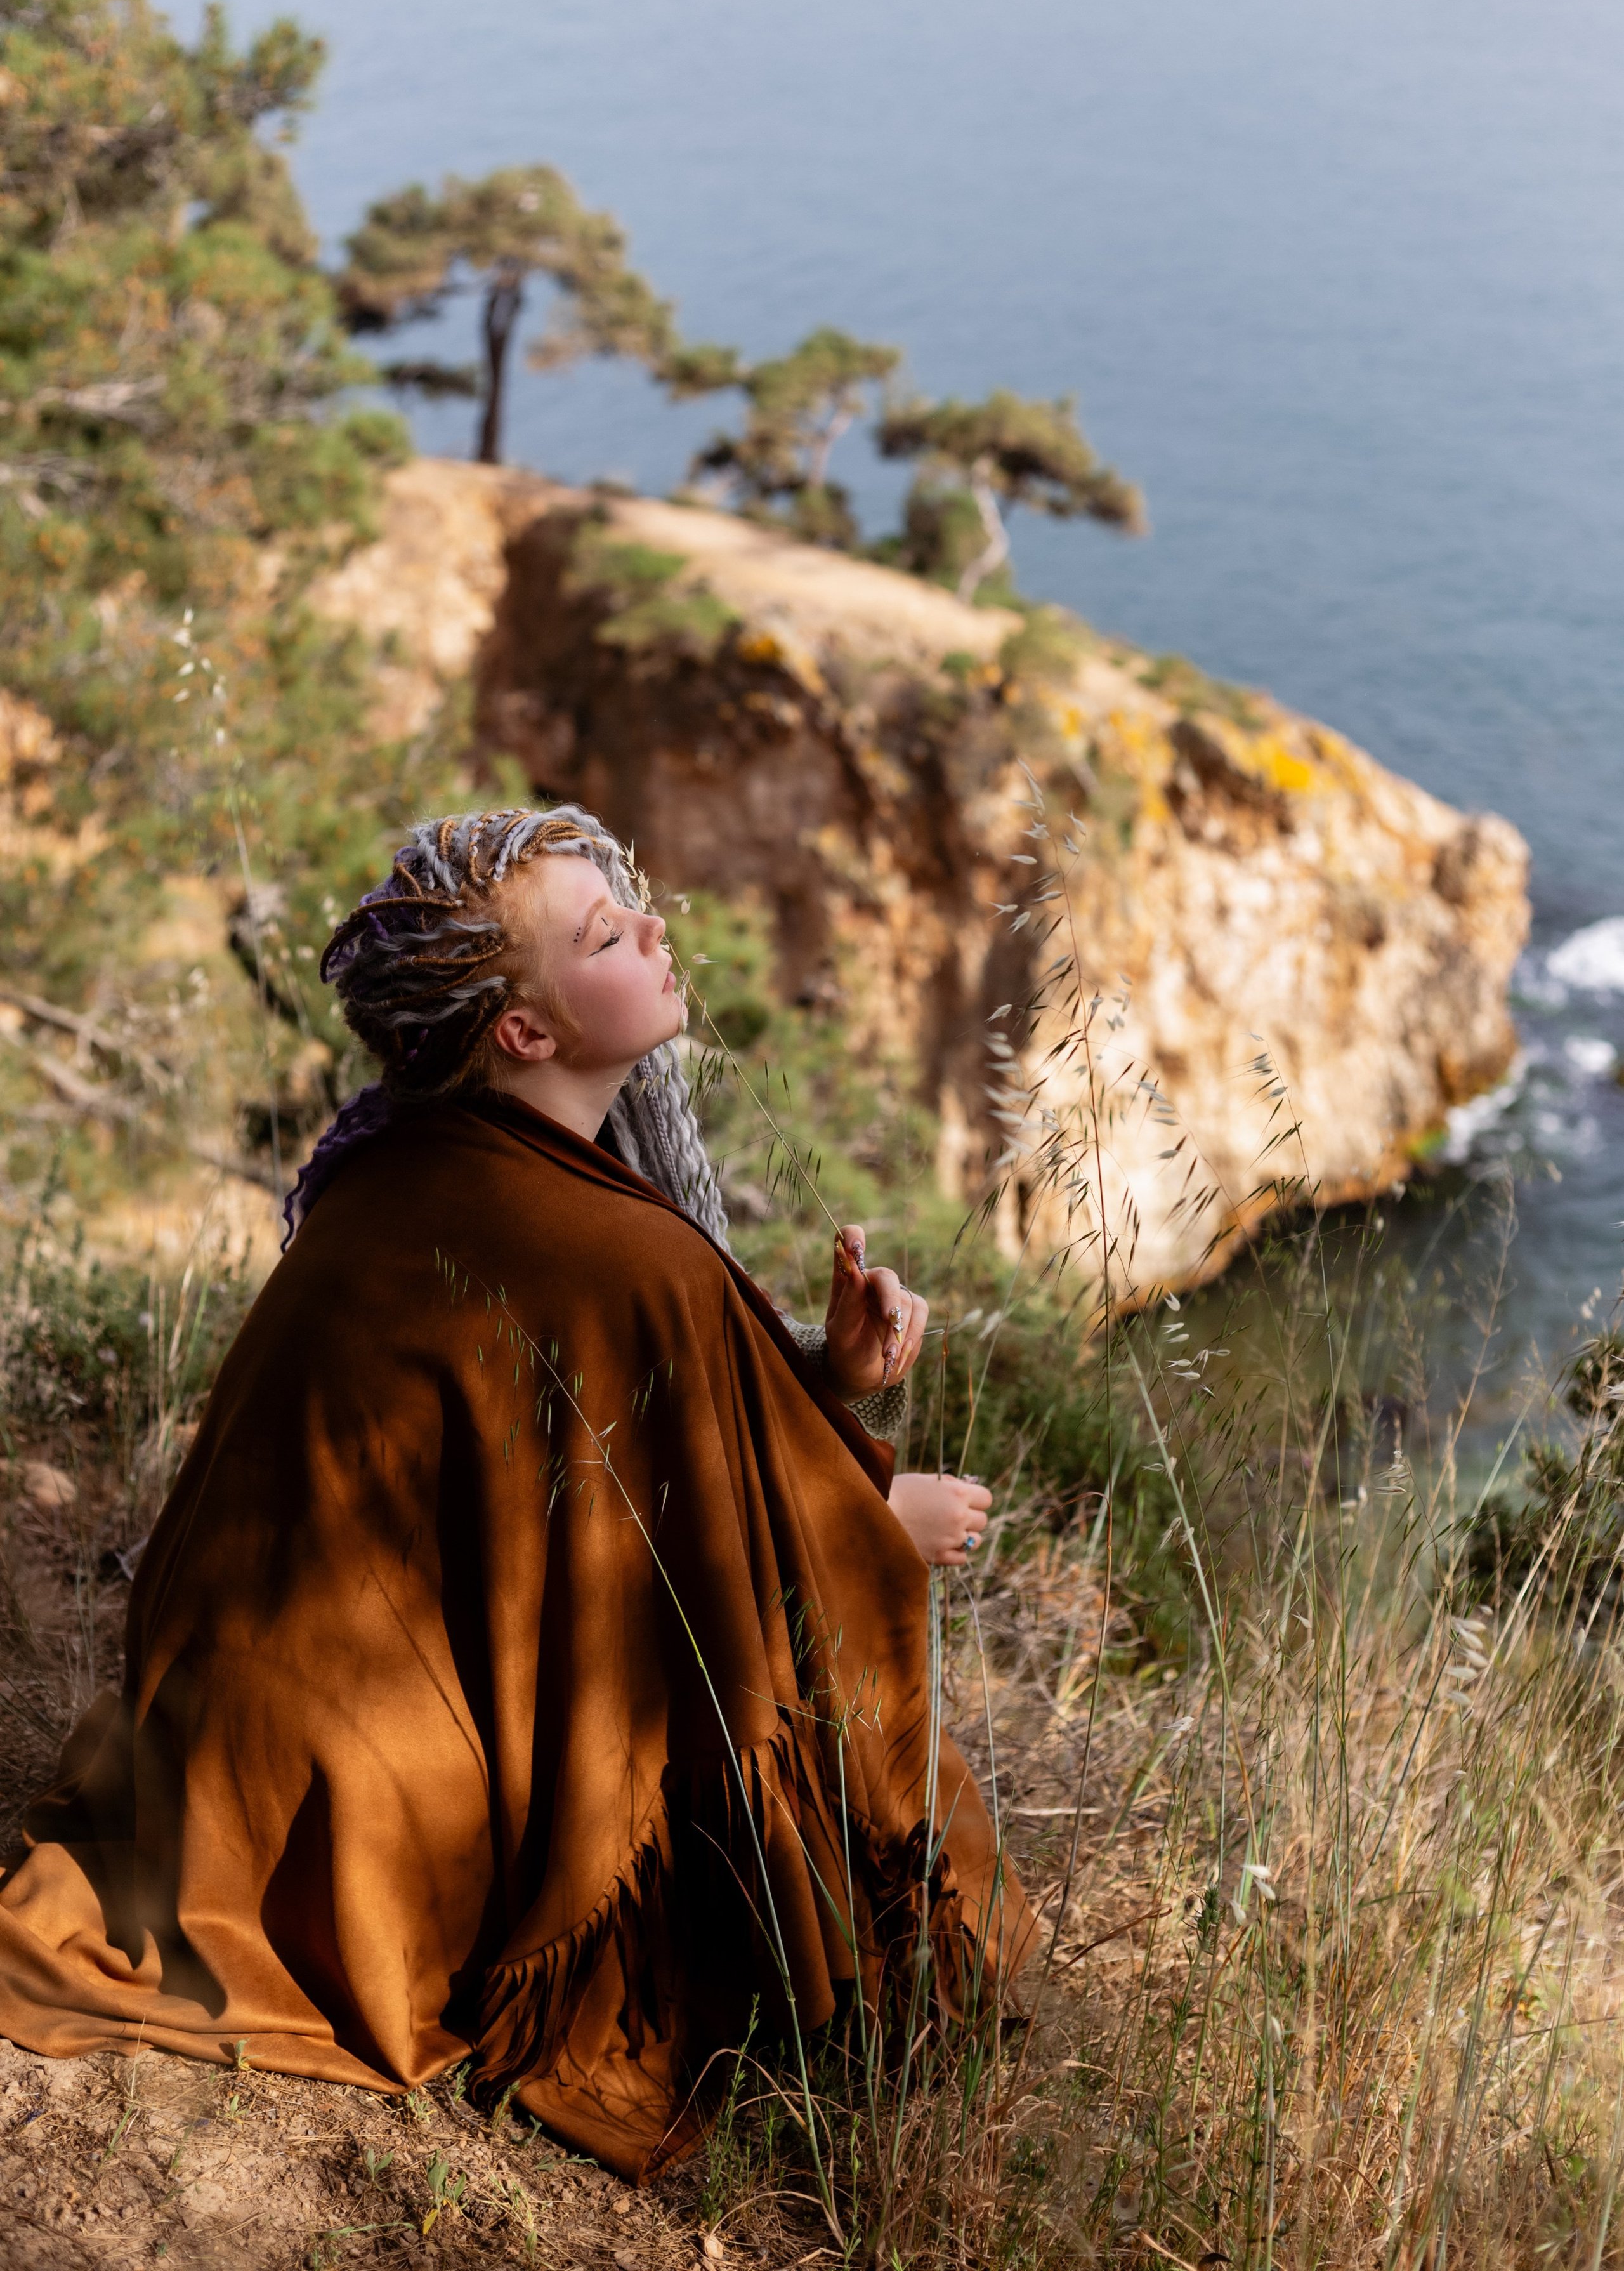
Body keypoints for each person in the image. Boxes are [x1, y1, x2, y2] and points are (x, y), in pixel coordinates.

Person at [0, 806, 1031, 2180]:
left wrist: (821, 1380)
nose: (656, 929)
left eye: (628, 906)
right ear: (525, 1034)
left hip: (234, 1743)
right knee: (870, 1800)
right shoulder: (611, 1248)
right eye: (605, 934)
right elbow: (643, 1541)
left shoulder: (402, 1166)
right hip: (366, 1804)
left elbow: (572, 1471)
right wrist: (867, 1528)